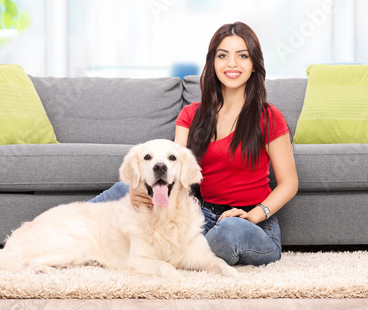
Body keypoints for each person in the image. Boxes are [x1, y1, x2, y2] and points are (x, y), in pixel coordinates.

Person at [90, 22, 298, 266]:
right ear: (213, 63)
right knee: (123, 189)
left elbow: (289, 183)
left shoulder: (268, 116)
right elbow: (174, 172)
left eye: (242, 56)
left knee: (227, 232)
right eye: (223, 55)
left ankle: (184, 250)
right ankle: (72, 228)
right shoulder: (191, 115)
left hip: (251, 221)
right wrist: (140, 189)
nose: (232, 63)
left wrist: (252, 216)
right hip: (203, 213)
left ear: (254, 65)